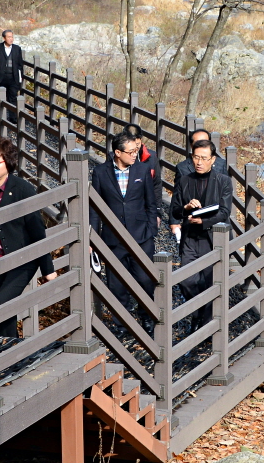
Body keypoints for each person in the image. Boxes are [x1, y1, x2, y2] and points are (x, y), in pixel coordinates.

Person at [0, 134, 57, 338]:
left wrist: (48, 269)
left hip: (20, 260)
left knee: (4, 301)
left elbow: (37, 230)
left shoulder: (22, 189)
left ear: (8, 163)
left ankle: (8, 353)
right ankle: (0, 352)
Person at [89, 128, 160, 332]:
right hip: (113, 238)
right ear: (117, 153)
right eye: (130, 152)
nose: (134, 155)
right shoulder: (101, 173)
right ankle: (121, 322)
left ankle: (146, 315)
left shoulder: (142, 170)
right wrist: (93, 240)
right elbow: (95, 209)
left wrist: (151, 230)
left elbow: (151, 203)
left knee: (145, 279)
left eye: (135, 151)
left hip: (141, 235)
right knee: (116, 284)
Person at [170, 139, 232, 332]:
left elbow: (224, 211)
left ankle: (205, 328)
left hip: (212, 237)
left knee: (209, 281)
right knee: (186, 279)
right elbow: (174, 210)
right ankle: (198, 314)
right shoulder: (185, 180)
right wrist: (186, 208)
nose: (199, 162)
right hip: (190, 238)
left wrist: (204, 222)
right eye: (196, 157)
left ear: (213, 159)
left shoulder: (223, 181)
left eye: (204, 158)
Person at [169, 129, 226, 240]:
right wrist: (174, 222)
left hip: (215, 217)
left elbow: (226, 194)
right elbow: (177, 195)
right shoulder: (183, 168)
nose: (202, 146)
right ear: (191, 146)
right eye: (198, 143)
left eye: (205, 142)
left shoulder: (220, 164)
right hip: (193, 219)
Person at [0, 30, 23, 108]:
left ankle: (12, 119)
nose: (11, 39)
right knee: (1, 99)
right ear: (4, 38)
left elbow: (20, 64)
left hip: (13, 77)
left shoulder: (17, 48)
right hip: (1, 77)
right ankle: (2, 117)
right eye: (9, 37)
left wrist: (20, 77)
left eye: (12, 37)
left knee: (13, 98)